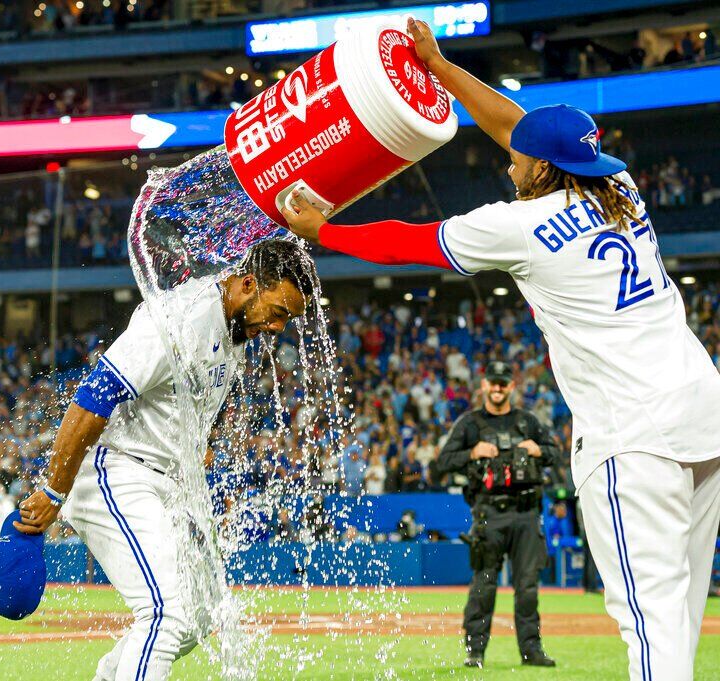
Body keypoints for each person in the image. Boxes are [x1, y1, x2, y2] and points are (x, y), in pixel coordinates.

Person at [282, 18, 720, 681]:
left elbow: (412, 243)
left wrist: (325, 228)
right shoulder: (621, 185)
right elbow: (520, 125)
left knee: (649, 620)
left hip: (636, 437)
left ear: (542, 166)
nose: (507, 160)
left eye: (517, 158)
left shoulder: (522, 226)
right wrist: (438, 67)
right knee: (679, 615)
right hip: (703, 417)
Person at [13, 239, 315, 680]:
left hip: (164, 482)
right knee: (164, 614)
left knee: (198, 616)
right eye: (278, 312)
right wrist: (53, 490)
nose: (277, 327)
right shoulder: (181, 319)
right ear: (249, 284)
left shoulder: (231, 324)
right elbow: (91, 399)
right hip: (118, 470)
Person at [428, 361, 559, 667]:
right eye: (493, 382)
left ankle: (532, 651)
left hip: (526, 513)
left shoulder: (528, 422)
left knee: (527, 587)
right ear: (484, 385)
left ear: (511, 387)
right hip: (488, 514)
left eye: (503, 383)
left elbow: (554, 452)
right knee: (483, 586)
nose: (498, 388)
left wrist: (538, 450)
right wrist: (473, 453)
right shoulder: (470, 424)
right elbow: (443, 462)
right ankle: (475, 652)